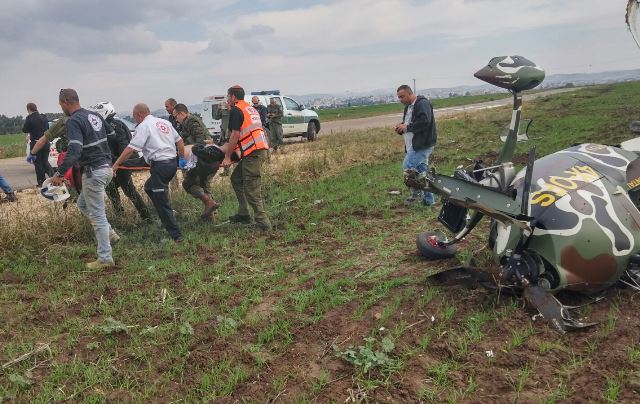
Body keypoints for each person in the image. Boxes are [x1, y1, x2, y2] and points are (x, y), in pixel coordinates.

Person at [51, 89, 117, 269]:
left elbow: (74, 150)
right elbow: (112, 136)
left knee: (98, 216)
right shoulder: (94, 115)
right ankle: (110, 233)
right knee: (82, 204)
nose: (61, 108)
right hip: (106, 168)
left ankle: (105, 258)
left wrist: (59, 173)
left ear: (65, 102)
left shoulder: (74, 121)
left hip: (93, 172)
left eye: (60, 105)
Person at [113, 103, 185, 243]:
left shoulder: (143, 126)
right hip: (171, 164)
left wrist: (116, 164)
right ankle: (167, 215)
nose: (135, 121)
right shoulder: (164, 122)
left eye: (135, 117)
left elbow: (131, 149)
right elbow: (180, 141)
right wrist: (181, 160)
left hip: (160, 166)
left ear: (139, 115)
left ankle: (176, 236)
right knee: (149, 187)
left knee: (162, 201)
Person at [88, 101, 151, 221]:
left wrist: (117, 162)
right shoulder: (109, 125)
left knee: (128, 190)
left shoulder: (115, 125)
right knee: (112, 190)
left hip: (121, 165)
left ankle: (146, 217)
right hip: (114, 164)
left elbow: (123, 145)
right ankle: (122, 216)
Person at [221, 85, 272, 231]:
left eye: (227, 96)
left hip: (254, 153)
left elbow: (235, 135)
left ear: (233, 97)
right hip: (256, 150)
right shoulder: (250, 108)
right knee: (236, 179)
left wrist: (227, 157)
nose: (227, 99)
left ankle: (263, 223)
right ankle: (244, 213)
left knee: (251, 189)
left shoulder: (237, 110)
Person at [172, 103, 219, 219]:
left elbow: (201, 141)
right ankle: (211, 215)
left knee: (189, 184)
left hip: (203, 158)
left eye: (176, 116)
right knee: (203, 185)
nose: (175, 119)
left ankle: (210, 207)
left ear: (181, 113)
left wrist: (187, 149)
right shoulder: (187, 123)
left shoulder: (192, 122)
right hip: (204, 158)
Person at [394, 85, 437, 206]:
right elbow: (409, 123)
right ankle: (429, 200)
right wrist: (401, 127)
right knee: (421, 171)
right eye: (398, 97)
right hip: (412, 144)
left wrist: (407, 127)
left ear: (409, 93)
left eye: (402, 96)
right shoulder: (408, 107)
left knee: (408, 166)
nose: (400, 99)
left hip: (422, 144)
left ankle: (416, 194)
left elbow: (425, 121)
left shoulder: (422, 103)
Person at [23, 103, 54, 186]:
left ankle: (41, 183)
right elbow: (47, 128)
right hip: (46, 142)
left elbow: (25, 129)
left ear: (29, 109)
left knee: (38, 163)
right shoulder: (44, 117)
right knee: (45, 161)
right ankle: (54, 178)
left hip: (36, 143)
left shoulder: (29, 118)